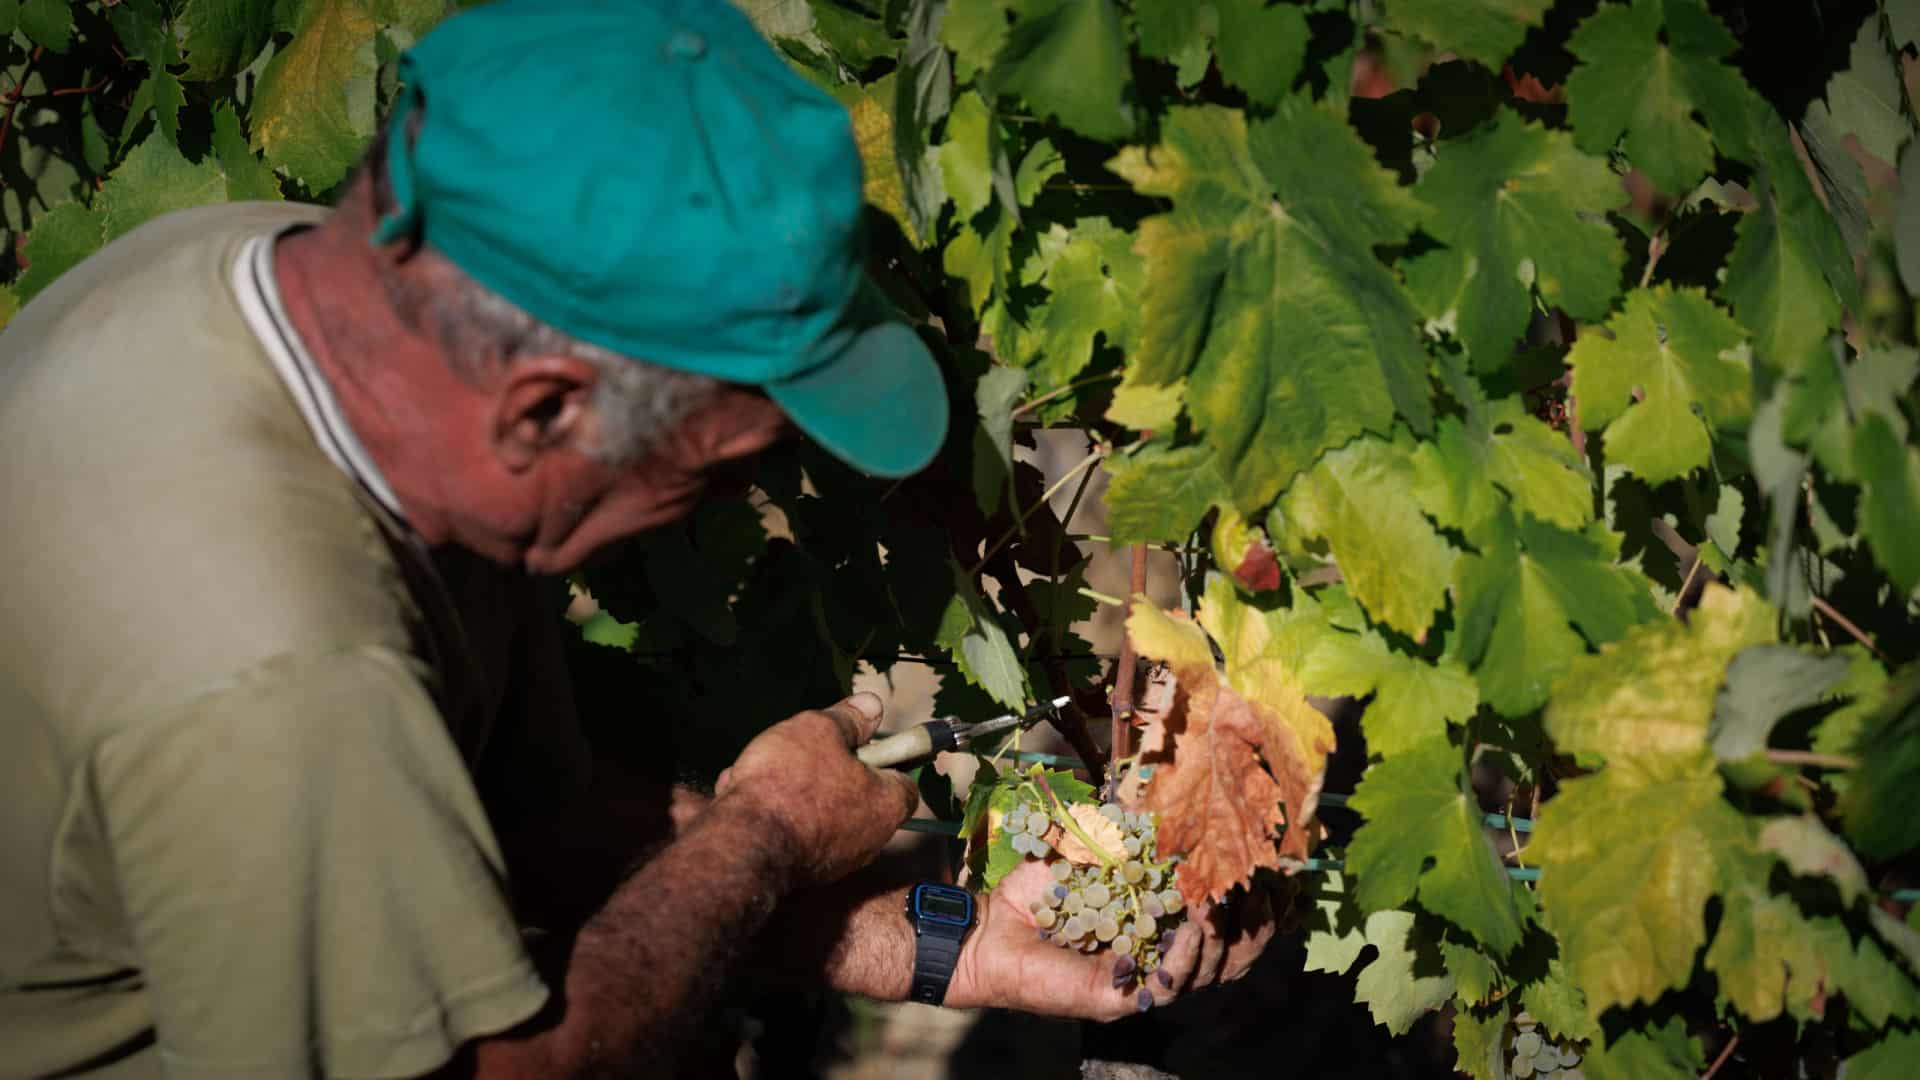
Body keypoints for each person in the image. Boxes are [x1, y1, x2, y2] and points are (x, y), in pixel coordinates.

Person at [0, 2, 1276, 1076]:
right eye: (729, 463)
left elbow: (527, 829)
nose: (746, 498)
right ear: (544, 405)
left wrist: (947, 936)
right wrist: (765, 833)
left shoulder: (256, 285)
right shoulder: (282, 667)